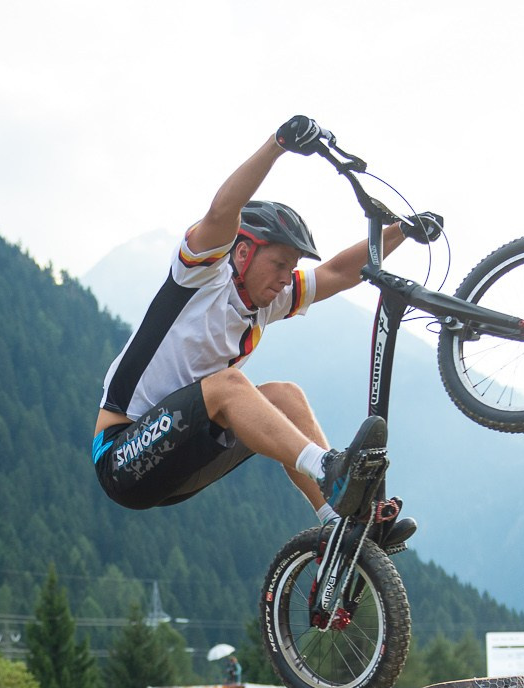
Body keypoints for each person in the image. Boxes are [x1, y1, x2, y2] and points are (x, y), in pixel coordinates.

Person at [90, 116, 417, 554]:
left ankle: (342, 522)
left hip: (181, 460)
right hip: (124, 457)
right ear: (243, 253)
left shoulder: (269, 300)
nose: (287, 278)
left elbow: (338, 272)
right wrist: (277, 145)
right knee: (230, 386)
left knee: (283, 394)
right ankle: (328, 468)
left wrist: (404, 231)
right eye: (279, 264)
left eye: (292, 267)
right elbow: (222, 211)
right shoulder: (202, 276)